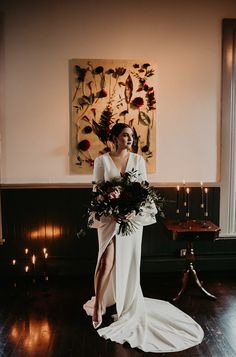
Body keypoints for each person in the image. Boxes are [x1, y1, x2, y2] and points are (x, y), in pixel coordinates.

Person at [83, 123, 204, 353]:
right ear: (115, 138)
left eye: (132, 136)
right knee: (106, 261)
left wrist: (131, 211)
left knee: (126, 263)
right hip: (109, 220)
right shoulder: (102, 161)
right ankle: (99, 304)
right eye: (125, 135)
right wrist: (110, 208)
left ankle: (126, 301)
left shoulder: (138, 161)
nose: (129, 139)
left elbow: (143, 193)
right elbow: (97, 192)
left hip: (131, 221)